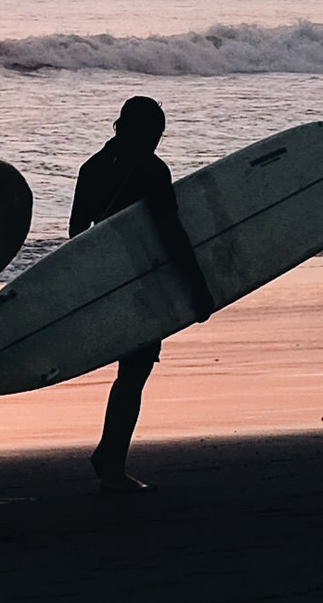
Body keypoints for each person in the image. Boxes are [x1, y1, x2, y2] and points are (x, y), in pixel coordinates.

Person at [69, 96, 213, 493]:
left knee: (130, 372)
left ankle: (109, 453)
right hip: (143, 280)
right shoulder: (151, 170)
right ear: (142, 132)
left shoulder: (91, 168)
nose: (157, 142)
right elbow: (171, 232)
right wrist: (198, 287)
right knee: (133, 373)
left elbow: (76, 236)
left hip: (108, 281)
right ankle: (111, 464)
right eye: (155, 134)